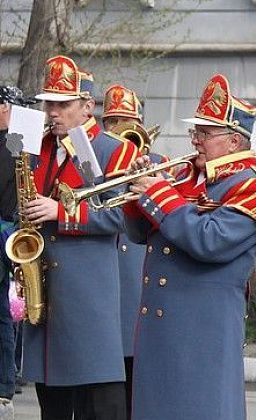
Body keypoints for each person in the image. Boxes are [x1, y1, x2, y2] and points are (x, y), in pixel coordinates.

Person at [123, 73, 256, 419]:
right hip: (162, 324)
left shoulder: (251, 185)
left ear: (234, 141)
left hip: (202, 328)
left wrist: (159, 194)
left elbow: (209, 241)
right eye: (196, 132)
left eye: (205, 133)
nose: (196, 141)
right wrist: (136, 191)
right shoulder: (185, 178)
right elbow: (140, 233)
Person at [23, 55, 136, 420]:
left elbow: (119, 215)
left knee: (97, 393)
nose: (53, 112)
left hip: (88, 288)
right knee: (51, 394)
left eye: (63, 104)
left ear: (87, 107)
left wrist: (61, 213)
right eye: (49, 104)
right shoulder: (37, 149)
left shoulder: (114, 149)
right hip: (46, 281)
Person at [101, 83, 160, 419]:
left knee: (136, 370)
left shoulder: (158, 162)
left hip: (137, 277)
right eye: (111, 121)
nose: (118, 128)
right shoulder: (93, 163)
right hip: (108, 276)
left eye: (125, 119)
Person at [0, 86, 34, 419]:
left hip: (8, 229)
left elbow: (12, 179)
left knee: (7, 309)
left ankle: (7, 381)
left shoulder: (17, 138)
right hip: (9, 228)